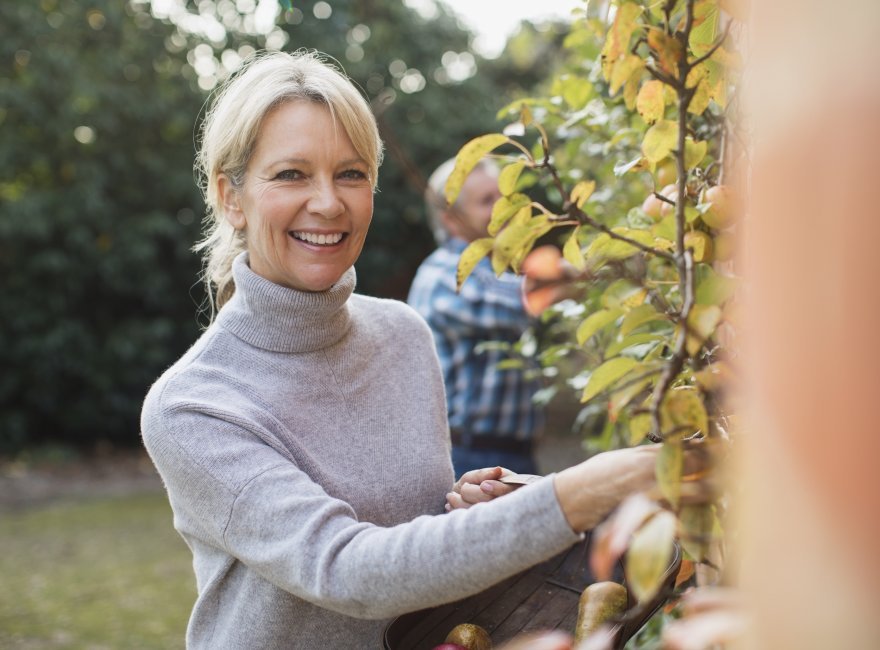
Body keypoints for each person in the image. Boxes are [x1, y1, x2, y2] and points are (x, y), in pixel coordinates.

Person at [140, 50, 669, 650]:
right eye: (291, 174)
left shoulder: (403, 335)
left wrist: (466, 508)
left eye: (351, 173)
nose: (328, 202)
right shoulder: (193, 406)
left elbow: (413, 549)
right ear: (230, 196)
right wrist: (576, 494)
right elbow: (346, 568)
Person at [408, 158, 543, 476]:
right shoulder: (444, 273)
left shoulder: (489, 273)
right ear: (451, 220)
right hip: (470, 457)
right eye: (487, 201)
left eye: (503, 198)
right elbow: (516, 304)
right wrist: (579, 274)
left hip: (507, 453)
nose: (503, 210)